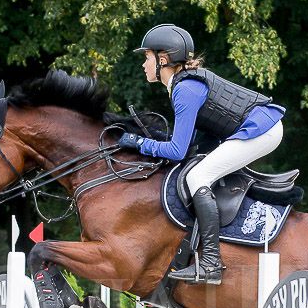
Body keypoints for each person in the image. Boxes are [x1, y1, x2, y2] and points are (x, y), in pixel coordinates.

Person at [118, 23, 286, 285]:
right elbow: (194, 142)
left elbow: (177, 151)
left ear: (163, 60)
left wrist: (139, 143)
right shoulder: (184, 84)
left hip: (262, 129)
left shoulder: (185, 90)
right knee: (199, 170)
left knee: (197, 177)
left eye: (147, 57)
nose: (143, 64)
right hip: (262, 125)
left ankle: (210, 264)